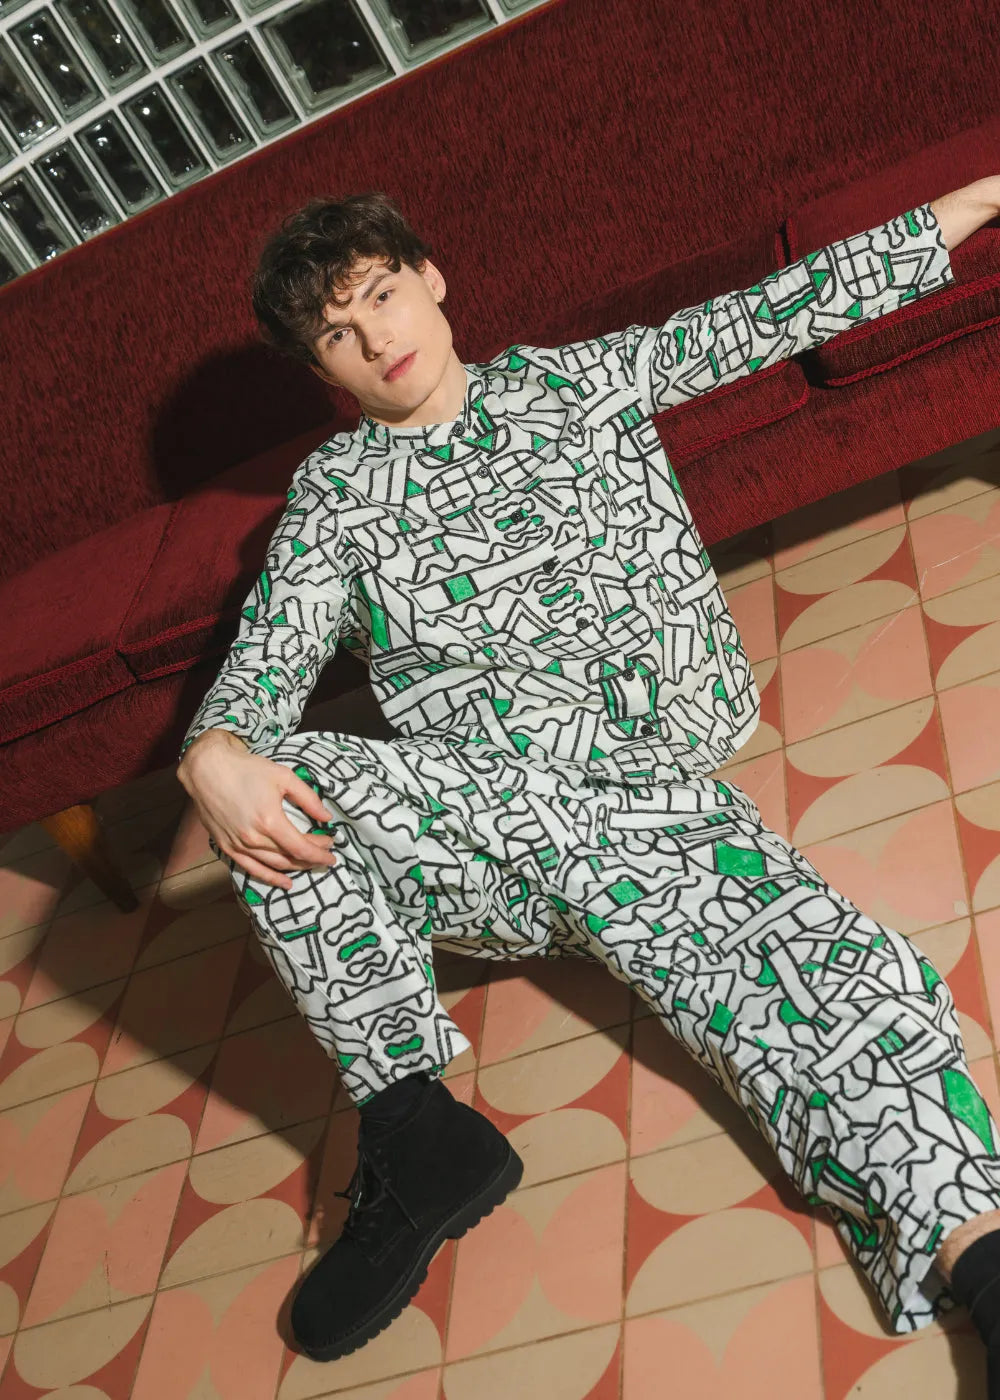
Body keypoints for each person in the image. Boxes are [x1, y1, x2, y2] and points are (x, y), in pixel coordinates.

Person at [176, 180, 1000, 1389]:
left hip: (653, 799)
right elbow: (260, 670)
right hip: (487, 830)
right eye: (337, 335)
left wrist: (976, 200)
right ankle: (414, 1128)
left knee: (814, 985)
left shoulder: (577, 382)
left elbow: (767, 313)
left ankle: (979, 1258)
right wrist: (210, 753)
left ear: (430, 276)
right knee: (269, 779)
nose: (376, 339)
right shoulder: (336, 500)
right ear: (320, 368)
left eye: (383, 296)